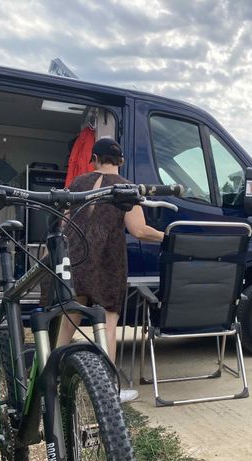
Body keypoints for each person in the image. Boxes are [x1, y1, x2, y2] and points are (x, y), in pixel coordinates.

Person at [56, 137, 165, 402]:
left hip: (76, 258)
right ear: (121, 161)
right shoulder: (126, 188)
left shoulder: (79, 183)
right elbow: (138, 230)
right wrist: (169, 236)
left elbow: (63, 225)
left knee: (69, 321)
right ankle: (107, 392)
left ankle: (52, 381)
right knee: (107, 323)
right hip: (108, 261)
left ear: (93, 158)